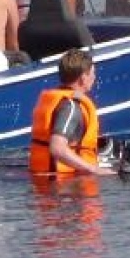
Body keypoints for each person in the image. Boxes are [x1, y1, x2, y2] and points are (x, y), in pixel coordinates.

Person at [29, 49, 116, 177]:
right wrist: (93, 169)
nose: (95, 77)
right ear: (83, 78)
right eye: (93, 73)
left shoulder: (59, 101)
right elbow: (57, 148)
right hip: (62, 186)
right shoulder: (70, 107)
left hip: (46, 180)